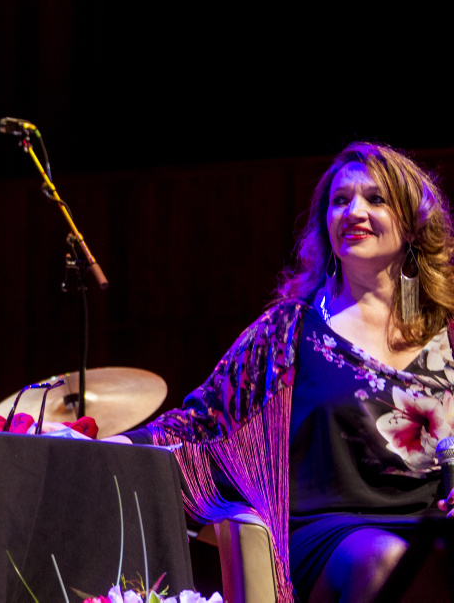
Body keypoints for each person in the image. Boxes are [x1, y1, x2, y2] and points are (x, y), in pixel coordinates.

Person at [111, 142, 454, 602]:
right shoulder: (289, 330)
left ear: (413, 225)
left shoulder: (446, 332)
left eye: (375, 199)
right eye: (339, 200)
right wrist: (107, 447)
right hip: (334, 536)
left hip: (431, 527)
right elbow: (200, 420)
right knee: (386, 562)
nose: (353, 211)